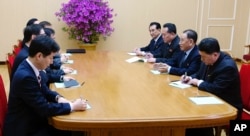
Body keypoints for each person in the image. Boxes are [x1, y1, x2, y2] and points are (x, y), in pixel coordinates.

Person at [4, 35, 87, 136]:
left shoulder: (31, 66)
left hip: (33, 118)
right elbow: (44, 108)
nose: (52, 62)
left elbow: (44, 89)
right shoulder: (25, 77)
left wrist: (58, 98)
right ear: (39, 56)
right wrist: (72, 106)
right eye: (51, 58)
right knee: (68, 131)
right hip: (25, 128)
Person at [181, 37, 243, 136]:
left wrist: (198, 82)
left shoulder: (227, 67)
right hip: (210, 99)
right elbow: (198, 74)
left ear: (215, 54)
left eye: (203, 57)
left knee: (197, 123)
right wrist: (189, 78)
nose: (201, 59)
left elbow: (216, 89)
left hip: (227, 105)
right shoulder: (207, 59)